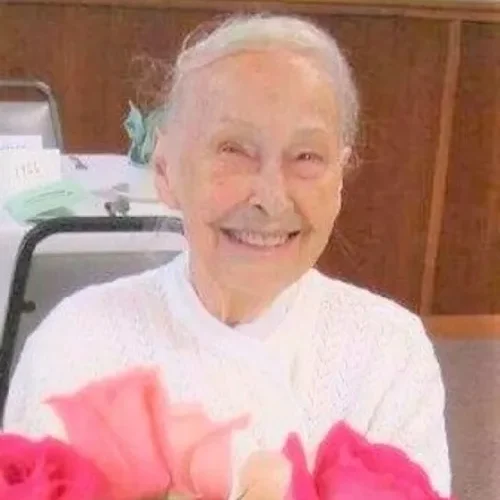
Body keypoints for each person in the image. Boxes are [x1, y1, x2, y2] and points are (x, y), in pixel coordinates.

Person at [4, 14, 451, 498]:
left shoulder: (389, 351)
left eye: (306, 157)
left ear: (339, 181)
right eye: (234, 149)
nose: (271, 198)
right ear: (165, 170)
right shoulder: (77, 341)